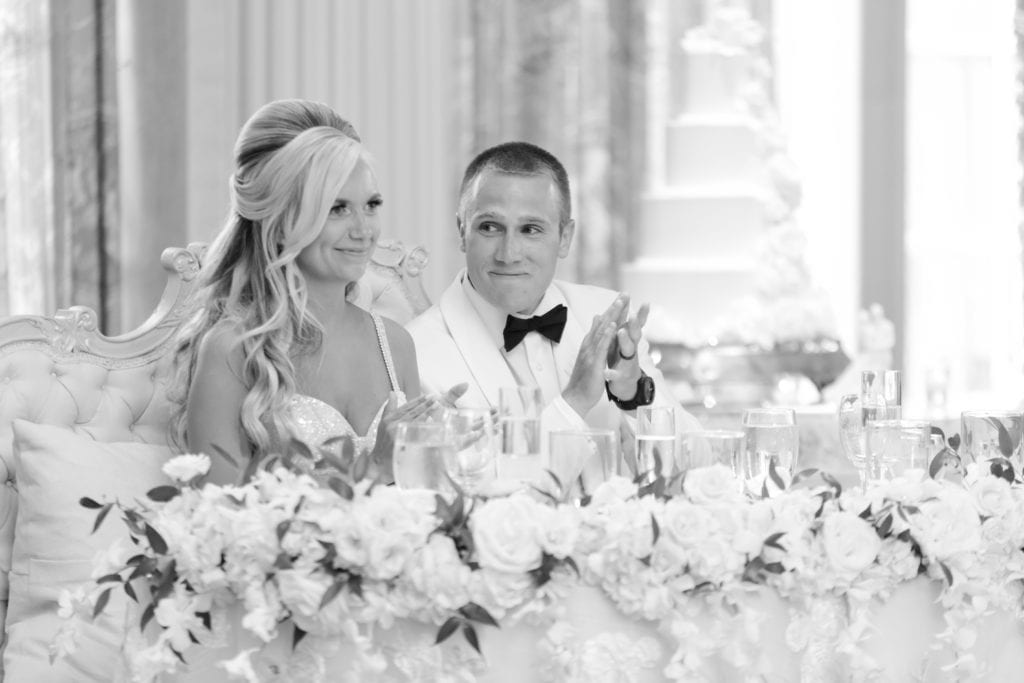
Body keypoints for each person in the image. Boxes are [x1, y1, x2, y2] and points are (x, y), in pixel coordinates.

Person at [169, 99, 449, 485]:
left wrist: (444, 452)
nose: (363, 229)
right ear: (281, 223)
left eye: (371, 205)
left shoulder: (396, 345)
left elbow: (420, 497)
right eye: (337, 209)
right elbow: (222, 517)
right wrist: (375, 467)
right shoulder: (233, 350)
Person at [406, 141, 700, 467]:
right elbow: (462, 493)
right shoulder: (416, 351)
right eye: (490, 227)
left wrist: (634, 394)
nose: (509, 254)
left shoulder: (605, 315)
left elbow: (698, 461)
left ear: (565, 238)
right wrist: (574, 401)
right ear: (462, 232)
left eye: (530, 229)